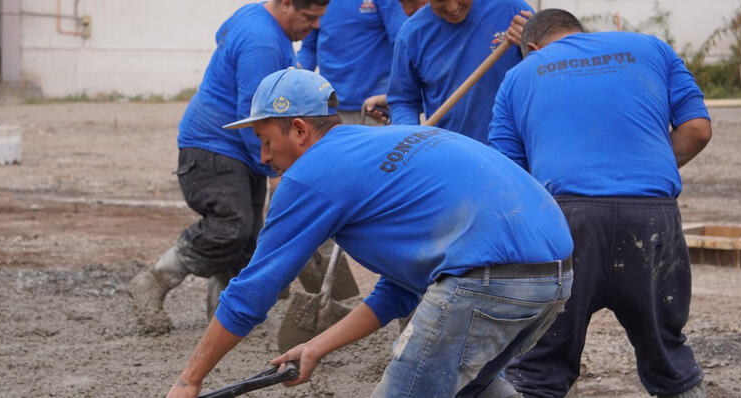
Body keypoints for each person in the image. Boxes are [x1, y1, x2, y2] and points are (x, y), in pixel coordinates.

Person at [166, 67, 574, 397]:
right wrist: (317, 346)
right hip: (554, 277)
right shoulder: (375, 146)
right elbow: (400, 290)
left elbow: (252, 292)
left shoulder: (311, 174)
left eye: (265, 139)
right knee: (472, 389)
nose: (263, 156)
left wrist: (189, 380)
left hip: (488, 281)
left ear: (299, 130)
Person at [488, 9, 712, 398]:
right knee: (669, 358)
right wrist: (642, 168)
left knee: (538, 367)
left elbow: (509, 177)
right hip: (652, 216)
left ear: (534, 48)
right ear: (578, 32)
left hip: (566, 219)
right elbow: (697, 130)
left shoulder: (519, 75)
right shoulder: (651, 47)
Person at [128, 0, 330, 335]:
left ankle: (221, 316)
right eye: (309, 17)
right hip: (213, 145)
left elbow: (222, 37)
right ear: (287, 4)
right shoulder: (263, 42)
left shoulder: (255, 15)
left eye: (318, 19)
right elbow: (253, 116)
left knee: (246, 235)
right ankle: (154, 281)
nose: (314, 27)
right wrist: (276, 170)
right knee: (231, 227)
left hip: (236, 146)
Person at [387, 0, 532, 144]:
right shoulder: (411, 34)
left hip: (513, 147)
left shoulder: (512, 9)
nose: (453, 7)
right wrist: (409, 135)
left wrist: (533, 45)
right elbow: (403, 101)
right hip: (452, 149)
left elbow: (547, 67)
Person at [362, 0, 428, 124]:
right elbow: (407, 99)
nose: (408, 10)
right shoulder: (410, 36)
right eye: (401, 2)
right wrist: (393, 104)